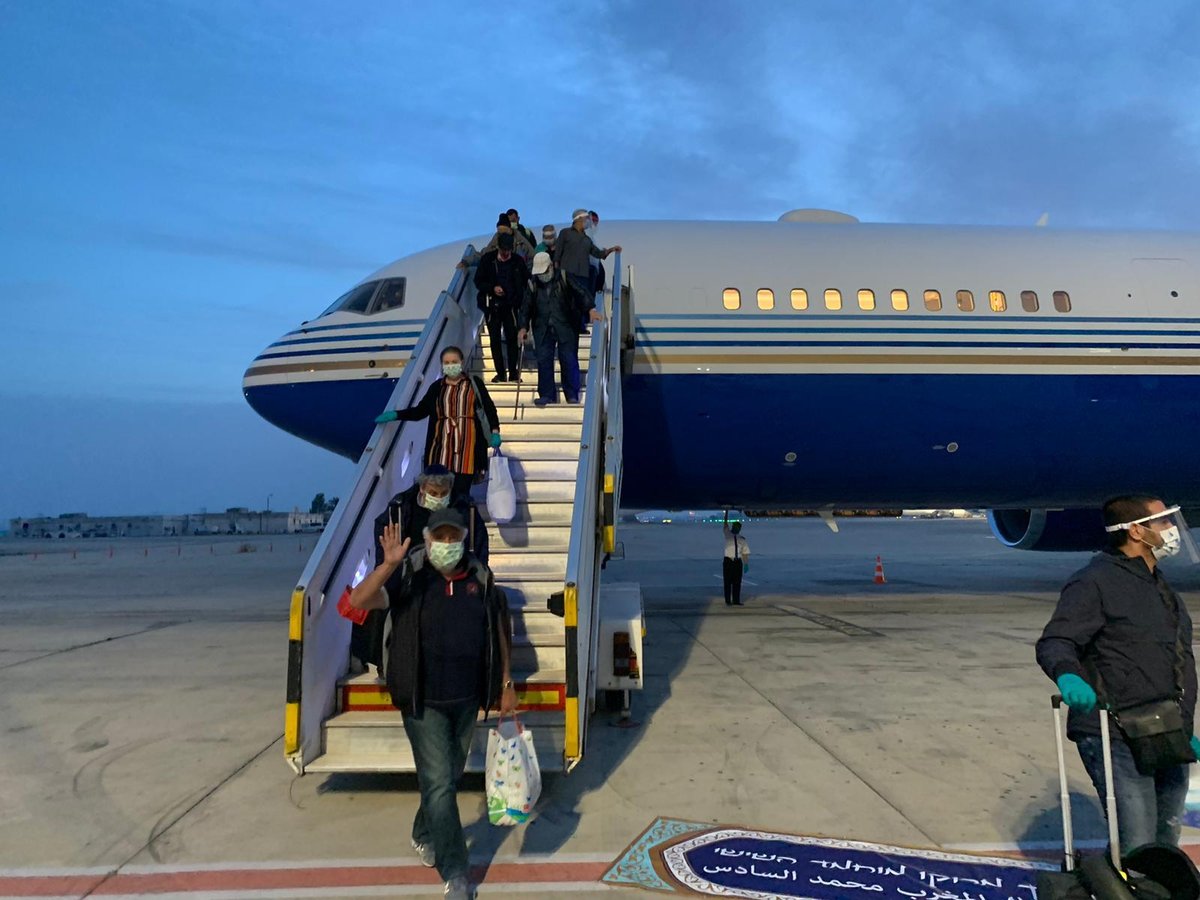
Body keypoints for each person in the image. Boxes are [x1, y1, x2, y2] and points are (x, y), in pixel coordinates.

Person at [348, 507, 516, 900]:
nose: (445, 544)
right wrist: (388, 565)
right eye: (438, 537)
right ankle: (456, 872)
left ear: (462, 539)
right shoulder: (411, 577)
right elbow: (359, 599)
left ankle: (423, 831)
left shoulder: (480, 577)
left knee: (447, 778)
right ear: (427, 540)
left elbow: (500, 628)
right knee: (440, 783)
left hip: (467, 698)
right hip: (422, 700)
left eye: (451, 537)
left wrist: (506, 681)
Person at [1036, 495, 1199, 852]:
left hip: (1165, 729)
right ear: (1137, 531)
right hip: (1115, 731)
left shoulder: (1162, 587)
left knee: (1166, 843)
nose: (1172, 530)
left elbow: (1179, 660)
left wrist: (1184, 729)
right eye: (1163, 522)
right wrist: (1068, 675)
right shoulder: (1094, 582)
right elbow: (1057, 641)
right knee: (1137, 840)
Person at [374, 346, 501, 496]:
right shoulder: (436, 387)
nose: (450, 365)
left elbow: (489, 408)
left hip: (467, 452)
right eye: (446, 363)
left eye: (454, 361)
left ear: (461, 362)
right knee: (440, 495)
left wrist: (495, 431)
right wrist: (396, 415)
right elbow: (420, 411)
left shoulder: (474, 384)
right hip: (440, 451)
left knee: (461, 496)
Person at [518, 251, 582, 405]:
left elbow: (581, 292)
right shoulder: (532, 284)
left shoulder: (564, 277)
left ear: (551, 266)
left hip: (565, 325)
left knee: (568, 359)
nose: (542, 275)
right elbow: (525, 307)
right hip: (543, 328)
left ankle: (572, 394)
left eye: (544, 271)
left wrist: (591, 310)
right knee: (544, 360)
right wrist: (522, 327)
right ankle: (547, 394)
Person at [473, 233, 529, 383]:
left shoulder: (517, 261)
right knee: (495, 340)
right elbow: (478, 281)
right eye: (503, 250)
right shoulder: (488, 260)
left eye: (508, 251)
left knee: (512, 339)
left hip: (511, 306)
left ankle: (513, 372)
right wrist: (492, 288)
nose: (506, 254)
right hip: (492, 306)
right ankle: (500, 373)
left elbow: (525, 281)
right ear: (498, 247)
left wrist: (519, 298)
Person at [552, 208, 620, 320]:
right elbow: (557, 254)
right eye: (586, 218)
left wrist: (611, 250)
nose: (588, 222)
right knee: (567, 302)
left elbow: (598, 253)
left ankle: (581, 324)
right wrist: (557, 273)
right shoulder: (565, 233)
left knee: (582, 301)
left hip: (583, 276)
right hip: (567, 275)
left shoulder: (587, 239)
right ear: (578, 219)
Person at [722, 512, 750, 606]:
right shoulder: (728, 535)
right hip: (728, 561)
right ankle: (728, 601)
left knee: (737, 582)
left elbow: (745, 553)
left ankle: (736, 600)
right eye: (735, 526)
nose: (736, 528)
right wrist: (726, 513)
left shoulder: (742, 539)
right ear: (732, 527)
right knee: (727, 582)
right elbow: (725, 524)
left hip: (738, 562)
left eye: (738, 527)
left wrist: (746, 564)